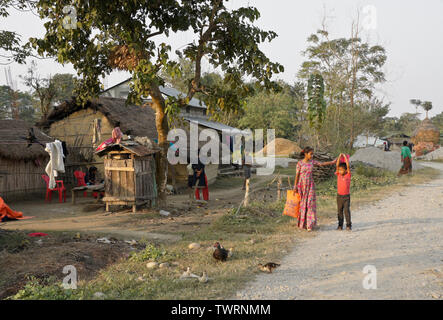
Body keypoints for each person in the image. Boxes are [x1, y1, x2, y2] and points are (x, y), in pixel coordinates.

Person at [294, 147, 336, 231]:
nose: (312, 155)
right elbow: (297, 176)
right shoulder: (300, 164)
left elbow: (321, 164)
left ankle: (310, 224)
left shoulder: (312, 162)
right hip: (302, 186)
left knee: (310, 204)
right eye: (311, 154)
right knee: (303, 204)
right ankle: (303, 224)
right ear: (305, 154)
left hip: (310, 185)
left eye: (313, 154)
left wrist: (332, 162)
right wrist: (295, 187)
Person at [335, 154, 352, 231]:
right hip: (339, 197)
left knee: (346, 211)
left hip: (346, 197)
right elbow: (337, 165)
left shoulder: (348, 175)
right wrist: (339, 157)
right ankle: (340, 225)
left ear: (345, 170)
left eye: (341, 170)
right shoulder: (338, 175)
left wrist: (345, 157)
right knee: (339, 211)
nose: (340, 171)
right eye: (339, 169)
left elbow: (348, 166)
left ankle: (348, 225)